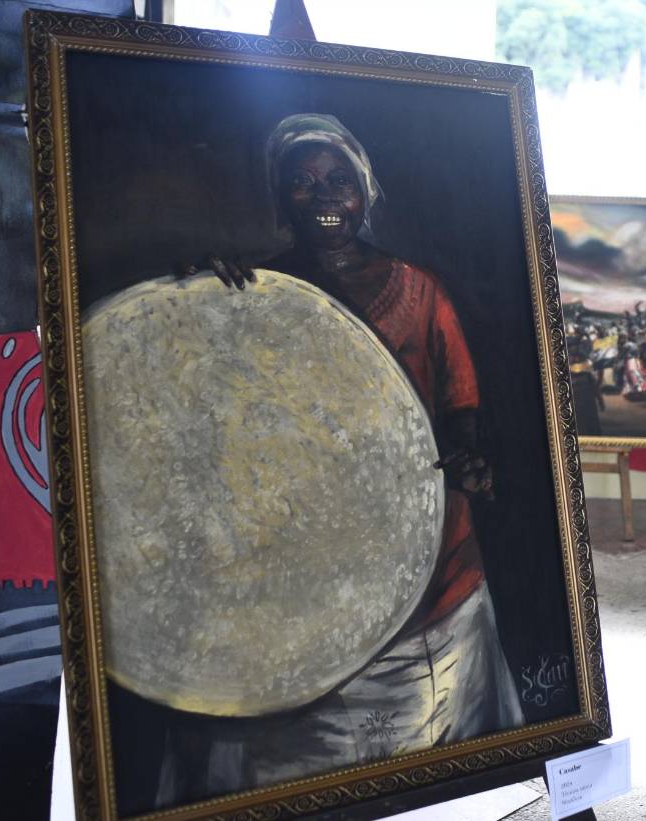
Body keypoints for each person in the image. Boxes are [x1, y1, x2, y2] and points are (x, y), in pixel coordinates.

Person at [157, 113, 523, 804]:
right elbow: (207, 417)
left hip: (431, 584)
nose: (323, 196)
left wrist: (465, 456)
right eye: (302, 183)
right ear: (279, 201)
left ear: (366, 191)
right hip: (303, 590)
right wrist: (191, 306)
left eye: (338, 182)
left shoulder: (420, 292)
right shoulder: (250, 293)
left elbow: (459, 407)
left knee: (438, 783)